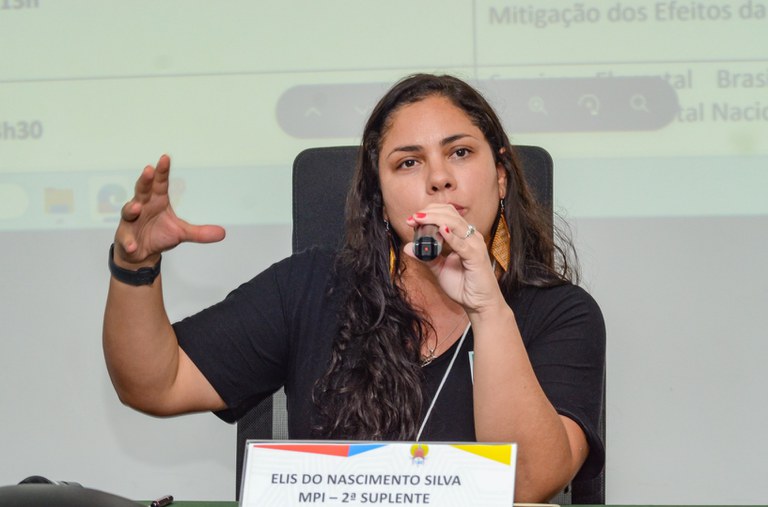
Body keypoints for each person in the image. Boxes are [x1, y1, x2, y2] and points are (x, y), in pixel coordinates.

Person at [103, 74, 605, 502]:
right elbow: (153, 383)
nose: (438, 179)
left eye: (460, 152)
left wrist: (487, 307)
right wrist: (135, 267)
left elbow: (525, 484)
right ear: (380, 196)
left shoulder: (560, 313)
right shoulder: (312, 287)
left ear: (499, 176)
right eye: (408, 162)